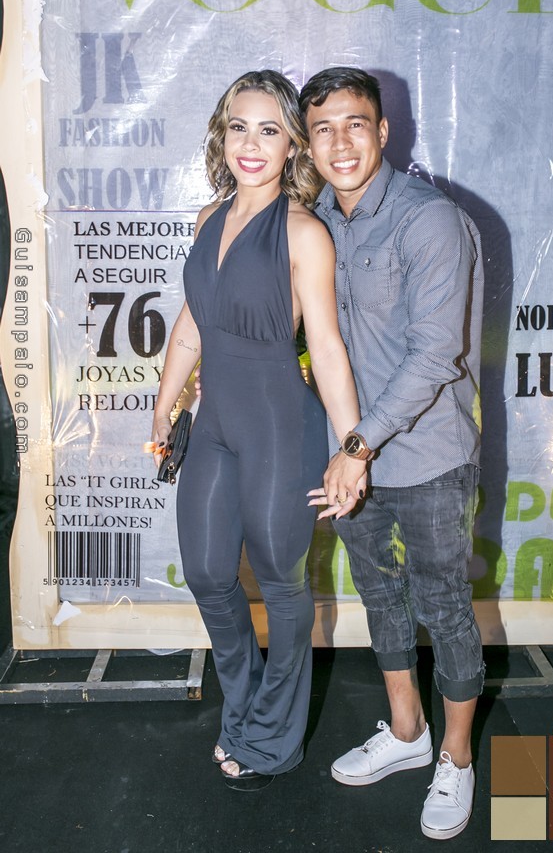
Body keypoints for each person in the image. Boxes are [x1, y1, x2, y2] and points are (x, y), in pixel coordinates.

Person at [151, 70, 363, 791]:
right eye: (239, 127)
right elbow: (192, 322)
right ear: (221, 135)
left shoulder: (303, 232)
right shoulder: (209, 218)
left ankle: (272, 737)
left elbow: (326, 348)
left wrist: (351, 449)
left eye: (269, 129)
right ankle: (241, 708)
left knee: (279, 581)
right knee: (209, 575)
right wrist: (164, 404)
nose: (251, 143)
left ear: (291, 145)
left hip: (280, 427)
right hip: (213, 426)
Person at [301, 67, 484, 841]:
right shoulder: (313, 221)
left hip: (426, 455)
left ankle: (456, 756)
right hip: (349, 459)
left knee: (442, 606)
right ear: (307, 144)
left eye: (355, 123)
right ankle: (407, 732)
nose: (340, 142)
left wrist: (356, 445)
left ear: (382, 131)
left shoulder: (427, 219)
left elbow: (434, 354)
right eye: (322, 128)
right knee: (379, 595)